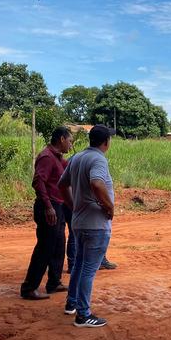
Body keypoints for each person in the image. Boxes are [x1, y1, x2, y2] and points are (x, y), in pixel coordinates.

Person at [59, 124, 115, 327]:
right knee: (89, 270)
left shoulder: (77, 157)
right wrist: (108, 207)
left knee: (80, 265)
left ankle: (71, 303)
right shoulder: (98, 159)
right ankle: (83, 314)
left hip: (79, 222)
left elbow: (62, 185)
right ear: (105, 142)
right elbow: (97, 183)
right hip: (95, 225)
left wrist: (74, 206)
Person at [20, 126, 74, 300]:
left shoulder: (58, 158)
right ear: (61, 139)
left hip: (57, 206)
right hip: (48, 207)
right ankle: (29, 287)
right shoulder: (47, 157)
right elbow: (38, 181)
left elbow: (70, 169)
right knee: (45, 247)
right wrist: (48, 206)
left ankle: (54, 282)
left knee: (58, 244)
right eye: (70, 141)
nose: (71, 145)